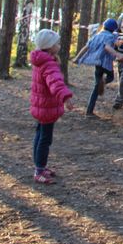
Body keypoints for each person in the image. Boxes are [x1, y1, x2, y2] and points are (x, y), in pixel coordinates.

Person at [29, 29, 75, 184]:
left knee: (39, 135)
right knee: (45, 139)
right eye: (57, 43)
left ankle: (39, 166)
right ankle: (39, 171)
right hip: (46, 107)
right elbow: (55, 83)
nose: (59, 45)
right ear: (49, 46)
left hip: (40, 106)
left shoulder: (40, 60)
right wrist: (66, 97)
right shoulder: (48, 64)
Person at [76, 19, 123, 116]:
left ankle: (89, 111)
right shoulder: (111, 36)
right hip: (106, 63)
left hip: (97, 63)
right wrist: (118, 54)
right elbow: (107, 47)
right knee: (110, 77)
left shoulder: (96, 36)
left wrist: (77, 57)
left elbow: (86, 47)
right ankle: (102, 82)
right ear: (113, 29)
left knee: (96, 87)